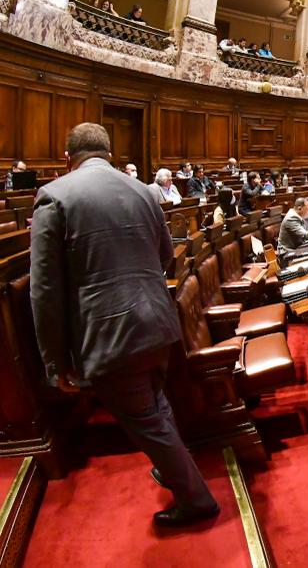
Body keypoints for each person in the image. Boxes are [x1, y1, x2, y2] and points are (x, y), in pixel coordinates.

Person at [30, 123, 218, 527]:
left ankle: (198, 500)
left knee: (146, 419)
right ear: (109, 154)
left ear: (68, 156)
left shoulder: (54, 196)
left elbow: (44, 290)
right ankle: (173, 472)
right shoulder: (145, 191)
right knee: (155, 403)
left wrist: (53, 361)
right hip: (158, 321)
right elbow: (167, 255)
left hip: (110, 333)